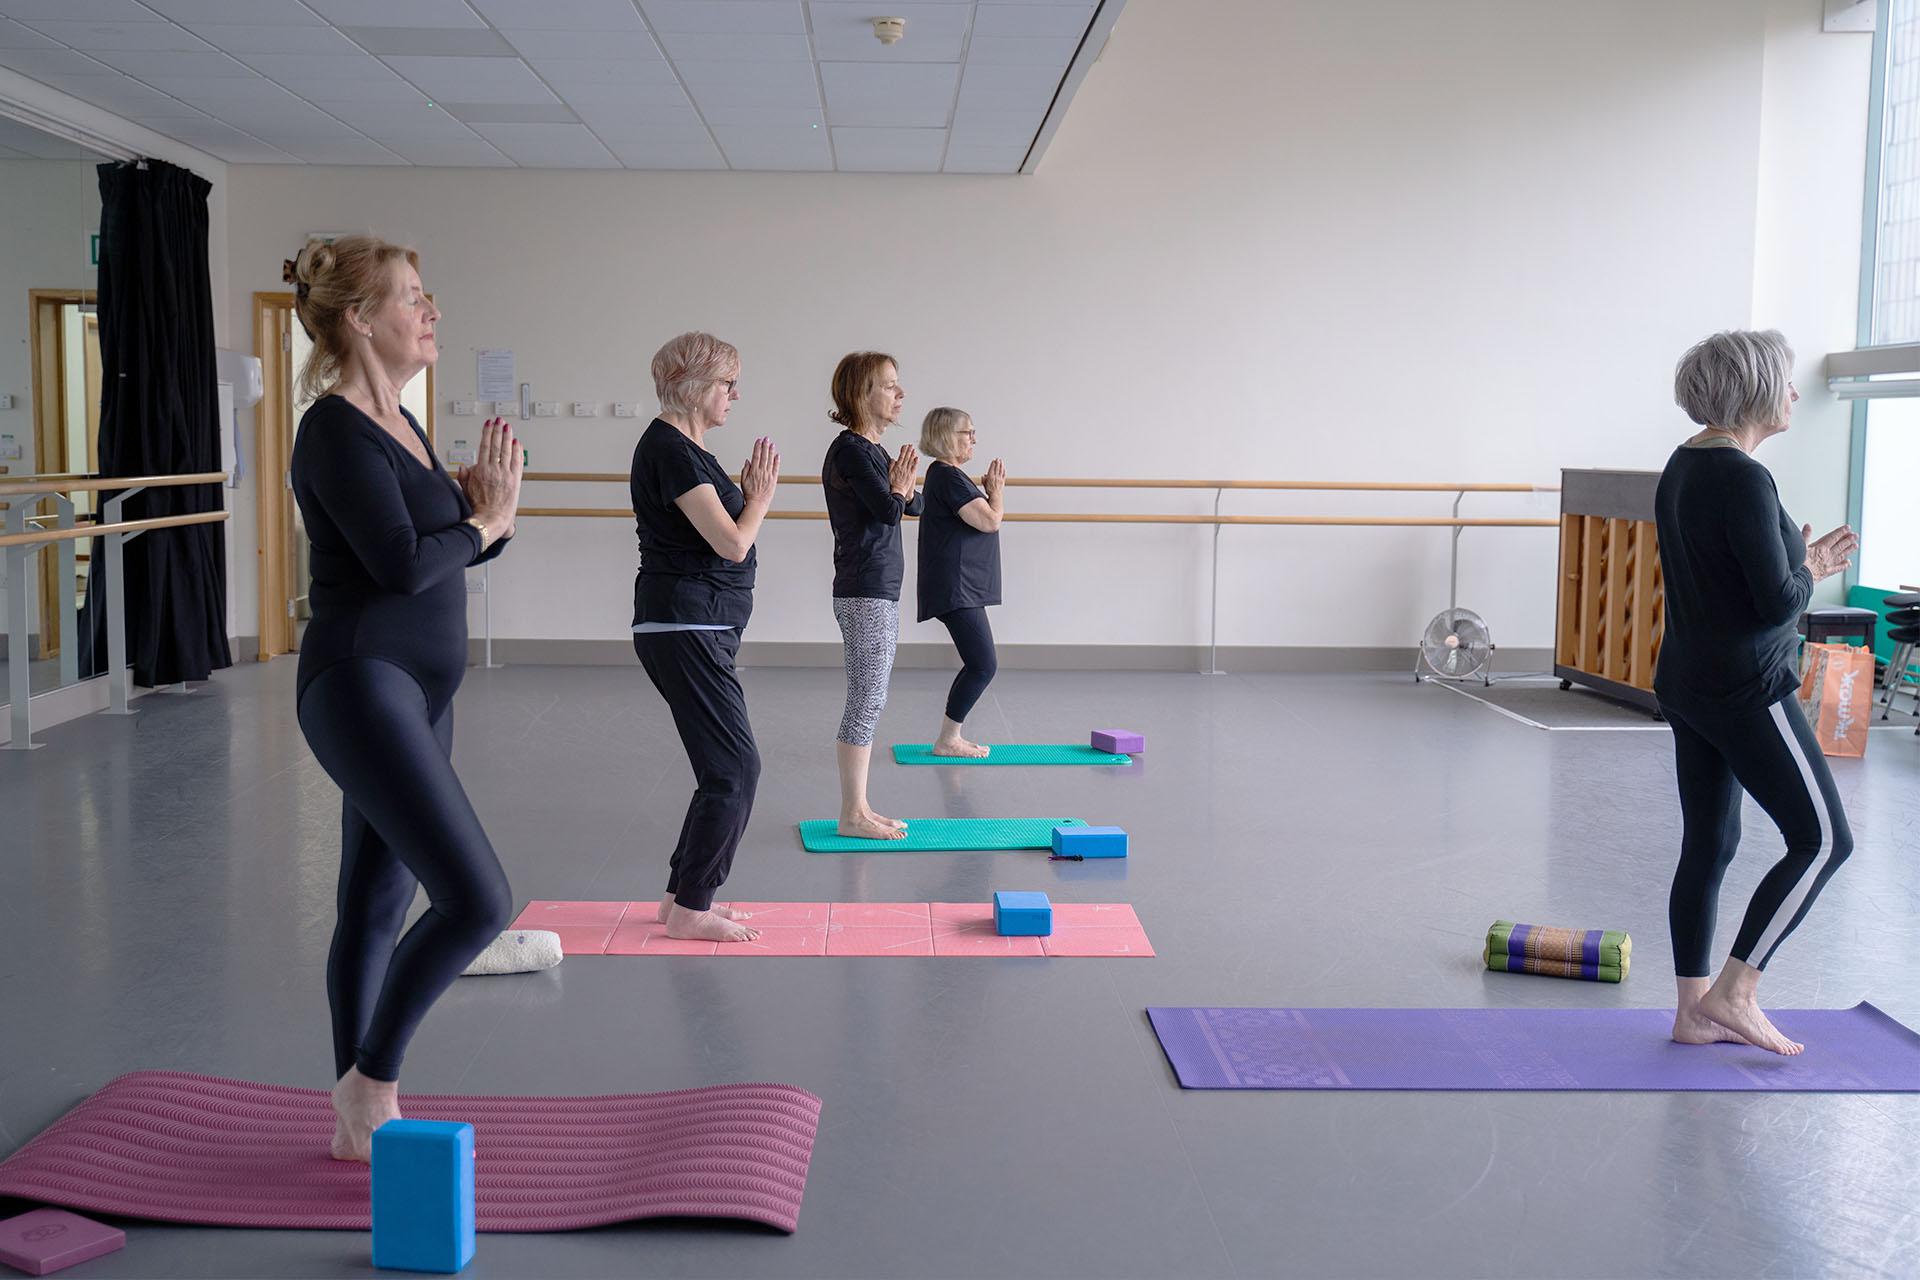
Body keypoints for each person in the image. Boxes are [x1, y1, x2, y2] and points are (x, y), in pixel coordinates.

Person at [284, 236, 519, 1160]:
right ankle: (370, 1078)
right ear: (357, 318)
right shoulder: (333, 428)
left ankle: (358, 1120)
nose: (430, 311)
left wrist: (489, 514)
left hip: (419, 689)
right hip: (359, 680)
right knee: (477, 898)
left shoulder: (406, 425)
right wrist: (479, 523)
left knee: (379, 902)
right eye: (412, 297)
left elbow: (452, 549)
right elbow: (401, 565)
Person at [1656, 328, 1858, 1056]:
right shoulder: (1744, 477)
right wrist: (1807, 571)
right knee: (1825, 839)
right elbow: (1776, 602)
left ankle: (1691, 1012)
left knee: (1710, 844)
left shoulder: (1685, 466)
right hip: (1745, 689)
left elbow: (1732, 580)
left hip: (1688, 682)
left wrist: (1796, 560)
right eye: (1788, 381)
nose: (1797, 394)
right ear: (1756, 390)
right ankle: (1734, 992)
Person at [631, 332, 776, 944]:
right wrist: (762, 498)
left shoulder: (689, 450)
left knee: (722, 767)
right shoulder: (673, 451)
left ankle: (678, 900)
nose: (734, 395)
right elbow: (733, 542)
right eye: (726, 383)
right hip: (683, 623)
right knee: (735, 769)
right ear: (693, 384)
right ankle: (694, 906)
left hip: (698, 623)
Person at [822, 352, 919, 838]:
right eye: (889, 385)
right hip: (864, 589)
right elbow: (887, 510)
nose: (900, 394)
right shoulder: (851, 451)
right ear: (862, 394)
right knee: (866, 697)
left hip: (879, 589)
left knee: (872, 696)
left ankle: (859, 806)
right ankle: (851, 814)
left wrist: (911, 487)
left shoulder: (874, 451)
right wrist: (899, 489)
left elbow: (910, 502)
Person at [916, 406, 1005, 758]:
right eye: (967, 432)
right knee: (984, 664)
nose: (973, 439)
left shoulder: (951, 476)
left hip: (961, 584)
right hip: (957, 586)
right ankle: (948, 739)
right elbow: (989, 521)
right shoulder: (947, 476)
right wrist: (996, 491)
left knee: (980, 662)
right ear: (945, 436)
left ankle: (950, 736)